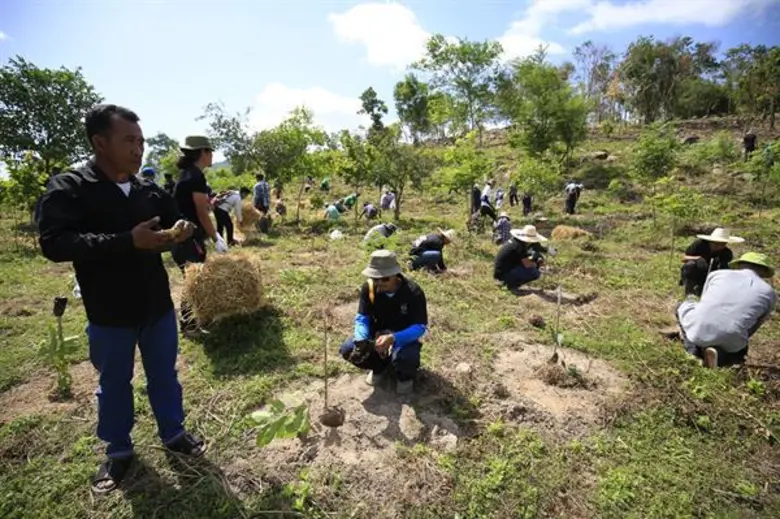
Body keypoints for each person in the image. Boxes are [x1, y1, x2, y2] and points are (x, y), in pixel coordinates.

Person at [37, 104, 205, 494]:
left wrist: (181, 230)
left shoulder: (147, 188)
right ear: (99, 142)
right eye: (129, 141)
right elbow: (54, 242)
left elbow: (179, 217)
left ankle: (174, 432)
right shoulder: (71, 189)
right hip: (109, 311)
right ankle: (119, 451)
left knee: (164, 375)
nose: (138, 149)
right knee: (114, 383)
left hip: (156, 305)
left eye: (141, 141)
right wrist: (127, 241)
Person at [339, 250, 428, 395]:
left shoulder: (413, 292)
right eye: (375, 278)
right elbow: (363, 318)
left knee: (407, 357)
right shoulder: (369, 289)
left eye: (385, 278)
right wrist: (361, 340)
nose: (379, 282)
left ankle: (404, 377)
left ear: (395, 275)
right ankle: (379, 368)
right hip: (377, 336)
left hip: (403, 338)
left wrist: (394, 338)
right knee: (348, 348)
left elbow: (419, 327)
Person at [677, 252, 776, 368]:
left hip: (699, 330)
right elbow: (755, 326)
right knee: (736, 342)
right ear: (764, 272)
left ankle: (693, 350)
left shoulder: (717, 274)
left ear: (739, 265)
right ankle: (723, 356)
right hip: (733, 339)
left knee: (680, 306)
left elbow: (704, 302)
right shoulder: (770, 293)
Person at [172, 135, 229, 335]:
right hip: (188, 239)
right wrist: (216, 237)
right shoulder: (195, 176)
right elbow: (200, 212)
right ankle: (189, 325)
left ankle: (192, 323)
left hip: (187, 238)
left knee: (194, 280)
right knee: (193, 281)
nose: (212, 155)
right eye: (210, 151)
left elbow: (201, 206)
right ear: (202, 152)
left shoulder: (189, 174)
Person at [680, 228, 744, 297]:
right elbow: (683, 258)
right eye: (716, 243)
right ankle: (689, 293)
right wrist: (697, 258)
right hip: (695, 272)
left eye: (722, 244)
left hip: (712, 276)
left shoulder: (726, 253)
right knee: (690, 265)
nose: (718, 246)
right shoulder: (699, 244)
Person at [494, 225, 549, 291]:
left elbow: (524, 258)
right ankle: (511, 285)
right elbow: (527, 264)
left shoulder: (516, 242)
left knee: (531, 267)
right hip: (504, 274)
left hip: (501, 271)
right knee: (535, 272)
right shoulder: (519, 246)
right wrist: (538, 264)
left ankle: (509, 283)